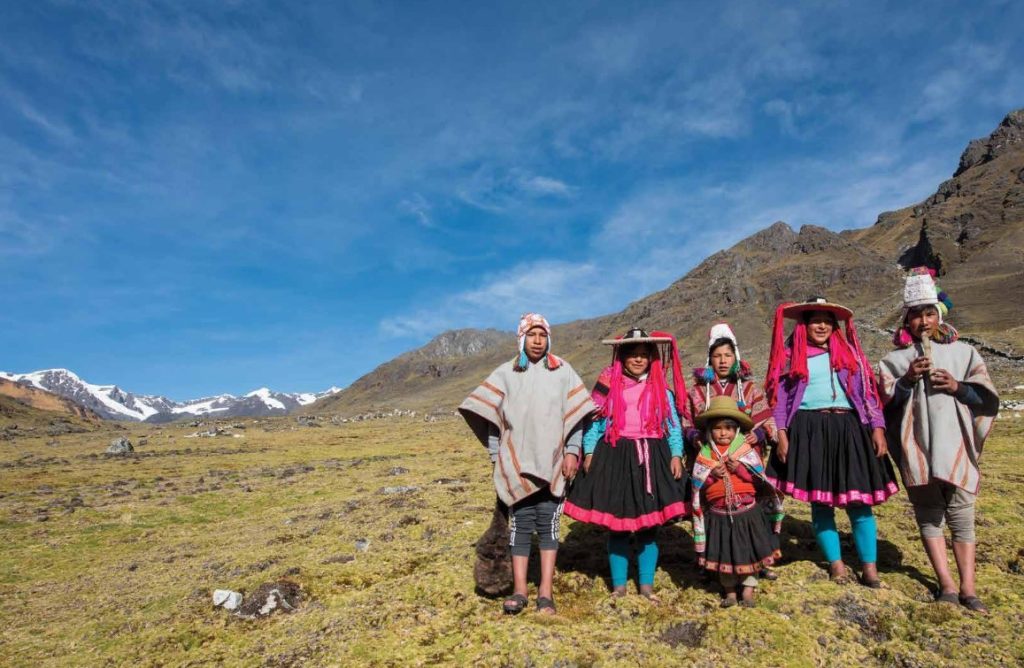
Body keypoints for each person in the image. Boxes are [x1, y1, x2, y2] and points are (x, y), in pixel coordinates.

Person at [877, 268, 999, 613]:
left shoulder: (965, 354)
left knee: (962, 516)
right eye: (916, 315)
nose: (923, 321)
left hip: (956, 445)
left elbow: (986, 399)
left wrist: (958, 387)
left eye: (929, 314)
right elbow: (885, 408)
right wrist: (905, 381)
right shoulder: (893, 361)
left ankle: (969, 589)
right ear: (907, 322)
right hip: (918, 449)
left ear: (939, 316)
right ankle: (945, 584)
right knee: (929, 516)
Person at [459, 313, 596, 615]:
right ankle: (521, 590)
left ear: (549, 339)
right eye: (532, 335)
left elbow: (575, 419)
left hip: (554, 462)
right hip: (515, 464)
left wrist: (573, 452)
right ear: (522, 339)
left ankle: (545, 591)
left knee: (548, 525)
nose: (538, 341)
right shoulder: (506, 373)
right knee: (519, 527)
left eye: (542, 335)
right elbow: (494, 422)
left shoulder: (564, 372)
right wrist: (497, 459)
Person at [764, 297, 898, 587]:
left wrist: (877, 427)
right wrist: (783, 434)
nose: (821, 325)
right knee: (820, 502)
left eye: (826, 320)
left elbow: (867, 393)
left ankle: (869, 567)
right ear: (805, 325)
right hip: (809, 429)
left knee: (859, 502)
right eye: (815, 320)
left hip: (850, 427)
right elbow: (781, 400)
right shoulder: (792, 355)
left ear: (834, 324)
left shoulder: (851, 353)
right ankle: (836, 564)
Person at [563, 327, 689, 602]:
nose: (638, 360)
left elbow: (673, 426)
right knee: (618, 526)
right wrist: (589, 451)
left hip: (652, 458)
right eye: (633, 354)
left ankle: (646, 585)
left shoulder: (661, 390)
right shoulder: (610, 387)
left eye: (644, 355)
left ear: (652, 357)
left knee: (648, 528)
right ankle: (619, 586)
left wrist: (676, 454)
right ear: (622, 357)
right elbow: (595, 423)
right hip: (615, 456)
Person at [683, 323, 782, 579]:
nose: (723, 361)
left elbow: (767, 419)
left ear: (735, 357)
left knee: (752, 511)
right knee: (711, 512)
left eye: (727, 355)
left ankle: (759, 560)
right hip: (709, 460)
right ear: (710, 359)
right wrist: (695, 436)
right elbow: (685, 421)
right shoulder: (695, 393)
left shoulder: (750, 389)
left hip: (744, 461)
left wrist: (758, 433)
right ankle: (710, 561)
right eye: (717, 356)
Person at [690, 396, 781, 608]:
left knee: (749, 552)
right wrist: (711, 474)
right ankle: (730, 592)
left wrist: (738, 469)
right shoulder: (705, 453)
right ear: (709, 430)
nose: (723, 433)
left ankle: (748, 591)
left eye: (729, 428)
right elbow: (698, 483)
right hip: (719, 513)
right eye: (718, 428)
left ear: (737, 430)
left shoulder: (745, 451)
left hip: (747, 511)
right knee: (725, 554)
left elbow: (757, 479)